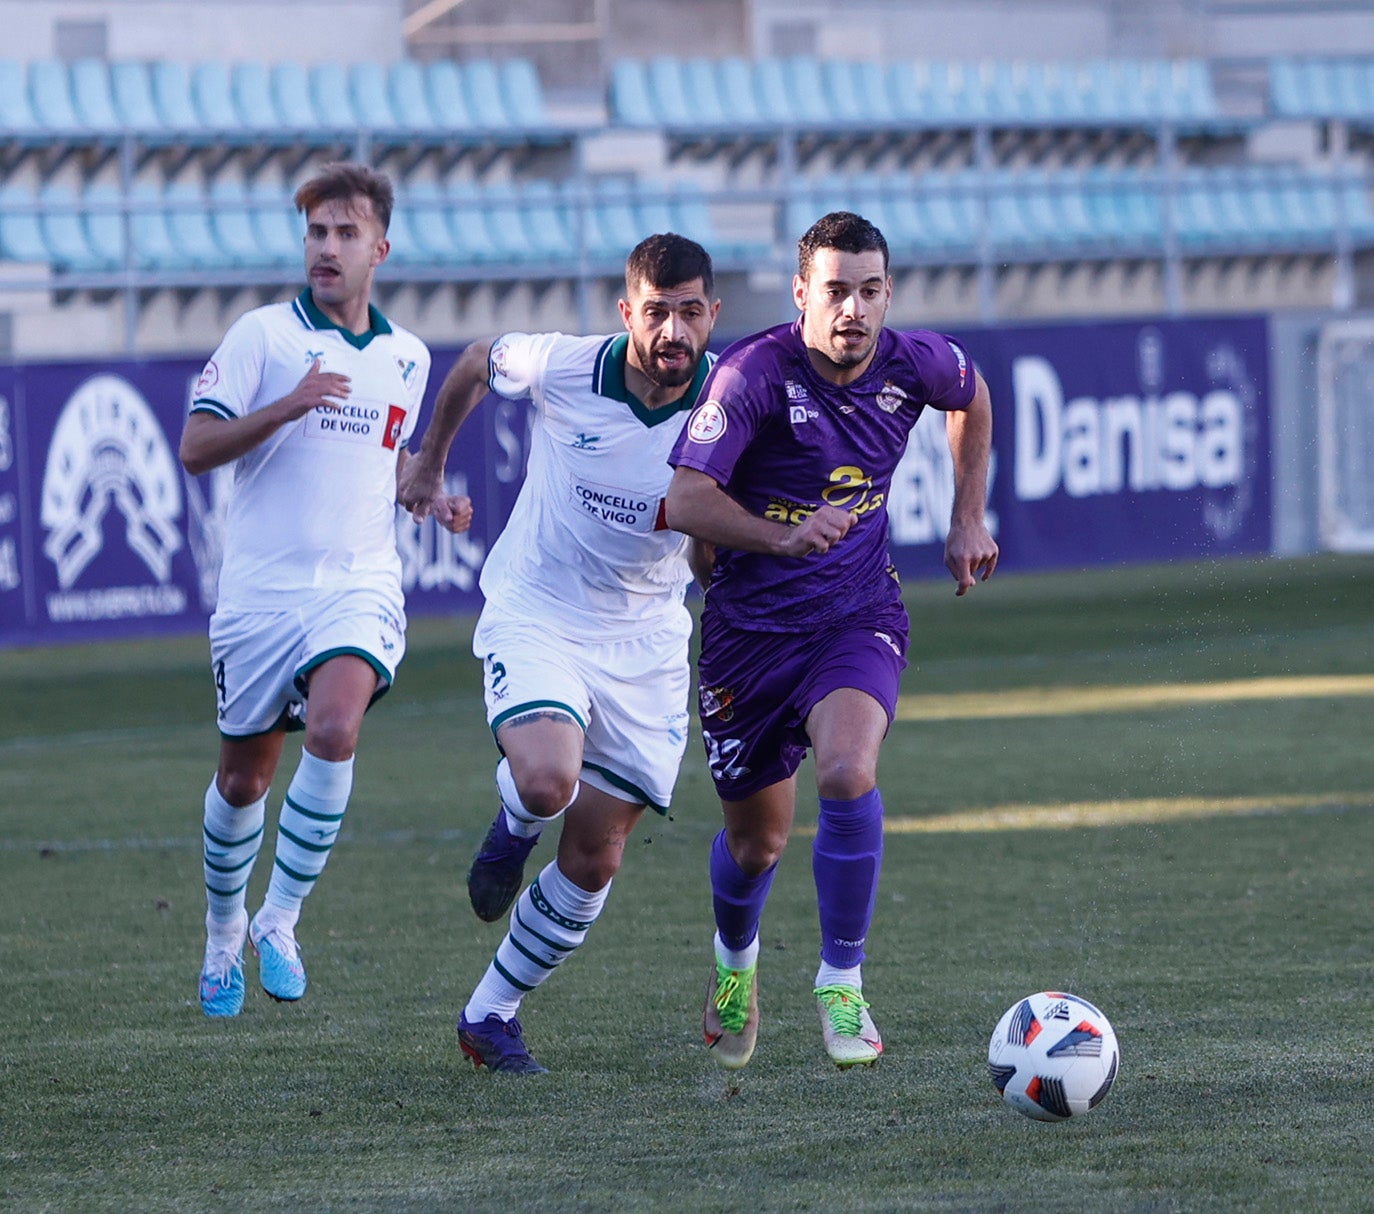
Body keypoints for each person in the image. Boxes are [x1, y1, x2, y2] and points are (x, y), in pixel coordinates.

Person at [664, 211, 998, 1070]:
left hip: (855, 617)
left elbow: (972, 393)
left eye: (870, 291)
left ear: (887, 294)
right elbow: (687, 501)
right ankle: (734, 966)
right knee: (757, 843)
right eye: (837, 292)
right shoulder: (751, 376)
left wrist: (968, 519)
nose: (854, 309)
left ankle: (840, 981)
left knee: (850, 772)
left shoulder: (911, 363)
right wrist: (781, 537)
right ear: (801, 295)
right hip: (748, 638)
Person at [397, 233, 720, 1074]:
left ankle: (489, 1016)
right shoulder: (566, 364)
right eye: (657, 312)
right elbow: (473, 361)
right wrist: (429, 465)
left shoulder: (730, 405)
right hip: (539, 608)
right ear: (627, 313)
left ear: (712, 314)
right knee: (547, 780)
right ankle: (513, 822)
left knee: (596, 854)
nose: (675, 331)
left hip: (646, 643)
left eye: (691, 312)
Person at [180, 162, 472, 1018]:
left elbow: (385, 471)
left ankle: (281, 919)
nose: (327, 247)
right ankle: (222, 933)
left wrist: (427, 493)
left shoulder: (407, 358)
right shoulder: (262, 338)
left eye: (345, 233)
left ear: (379, 246)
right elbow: (197, 448)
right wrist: (286, 406)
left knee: (337, 725)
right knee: (242, 782)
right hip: (260, 596)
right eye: (316, 233)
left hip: (358, 585)